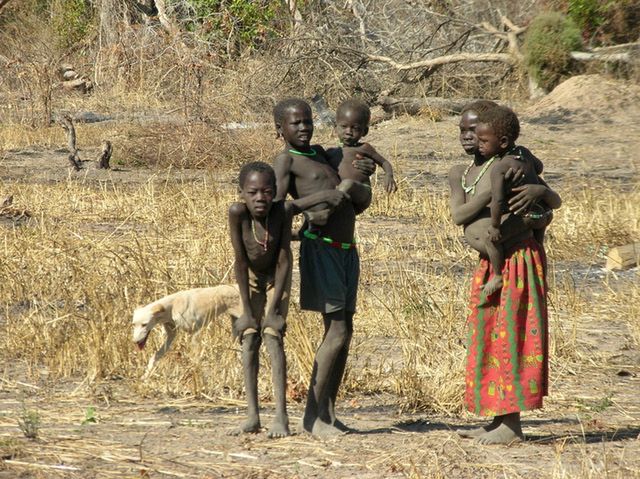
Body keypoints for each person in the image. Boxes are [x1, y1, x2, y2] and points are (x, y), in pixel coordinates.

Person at [448, 100, 562, 445]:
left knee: (513, 336)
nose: (470, 138)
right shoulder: (467, 172)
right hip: (492, 264)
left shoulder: (511, 166)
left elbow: (546, 209)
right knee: (491, 336)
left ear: (497, 138)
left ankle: (512, 426)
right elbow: (461, 215)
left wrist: (540, 192)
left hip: (518, 261)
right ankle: (499, 418)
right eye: (464, 131)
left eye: (476, 132)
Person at [272, 98, 372, 438]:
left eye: (307, 121)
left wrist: (361, 179)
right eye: (295, 123)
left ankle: (328, 413)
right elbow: (277, 209)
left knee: (346, 333)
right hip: (322, 249)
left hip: (347, 248)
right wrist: (309, 210)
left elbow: (351, 202)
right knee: (338, 330)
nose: (303, 127)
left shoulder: (323, 154)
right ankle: (313, 417)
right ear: (280, 129)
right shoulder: (286, 160)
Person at [228, 161, 347, 438]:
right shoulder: (237, 214)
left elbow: (283, 259)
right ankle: (252, 416)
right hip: (251, 279)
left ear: (275, 192)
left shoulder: (280, 211)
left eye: (267, 191)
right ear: (242, 194)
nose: (261, 198)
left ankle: (280, 417)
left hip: (277, 277)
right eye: (253, 192)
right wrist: (247, 311)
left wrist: (273, 310)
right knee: (248, 339)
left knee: (272, 335)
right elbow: (240, 262)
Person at [476, 106, 549, 295]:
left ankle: (498, 276)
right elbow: (539, 167)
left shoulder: (499, 168)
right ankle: (543, 280)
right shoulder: (524, 152)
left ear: (502, 142)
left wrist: (495, 226)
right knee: (539, 248)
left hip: (526, 217)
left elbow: (498, 202)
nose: (479, 145)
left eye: (484, 141)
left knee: (490, 241)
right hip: (544, 213)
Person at [305, 99, 397, 225]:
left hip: (361, 192)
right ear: (335, 127)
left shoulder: (364, 148)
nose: (348, 132)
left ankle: (326, 213)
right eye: (344, 126)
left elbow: (384, 162)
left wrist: (389, 176)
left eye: (355, 128)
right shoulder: (331, 152)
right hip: (343, 197)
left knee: (348, 184)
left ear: (364, 131)